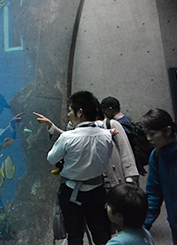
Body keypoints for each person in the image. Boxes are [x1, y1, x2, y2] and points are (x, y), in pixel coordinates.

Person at [45, 91, 113, 245]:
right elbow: (107, 157)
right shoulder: (107, 135)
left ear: (80, 112)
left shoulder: (67, 137)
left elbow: (51, 159)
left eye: (70, 110)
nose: (69, 114)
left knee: (74, 236)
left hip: (71, 193)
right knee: (100, 234)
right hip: (97, 191)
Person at [140, 108, 177, 245]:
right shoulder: (157, 156)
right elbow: (153, 194)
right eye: (146, 134)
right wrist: (142, 226)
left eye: (153, 134)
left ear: (167, 130)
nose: (149, 139)